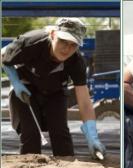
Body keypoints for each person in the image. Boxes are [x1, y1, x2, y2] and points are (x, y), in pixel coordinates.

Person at [1, 17, 106, 159]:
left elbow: (84, 101)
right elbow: (3, 55)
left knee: (60, 133)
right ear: (53, 35)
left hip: (55, 92)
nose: (67, 49)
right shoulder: (31, 42)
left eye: (73, 44)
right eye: (63, 41)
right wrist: (15, 82)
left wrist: (92, 135)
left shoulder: (76, 62)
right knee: (30, 133)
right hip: (25, 89)